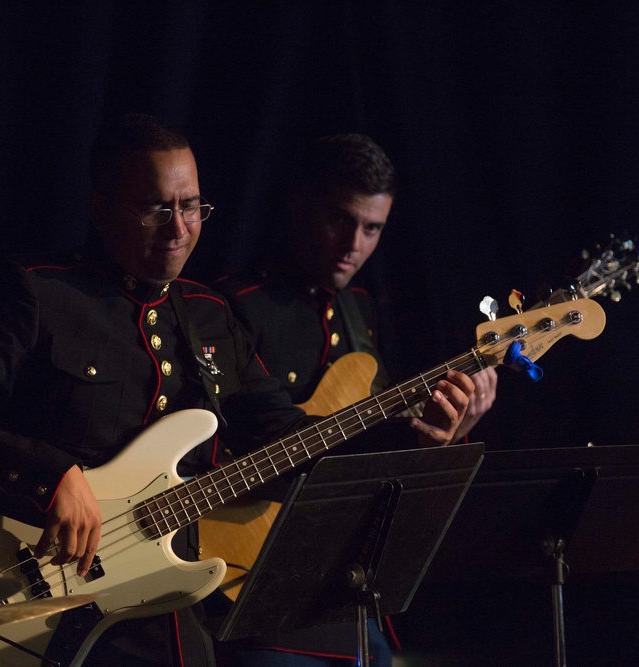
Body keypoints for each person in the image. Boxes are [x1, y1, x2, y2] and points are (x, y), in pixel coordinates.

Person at [0, 117, 478, 667]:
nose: (178, 228)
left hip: (171, 614)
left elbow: (285, 438)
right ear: (100, 208)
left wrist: (408, 431)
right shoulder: (36, 291)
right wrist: (51, 478)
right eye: (156, 207)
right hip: (41, 587)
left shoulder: (207, 314)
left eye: (191, 206)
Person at [213, 133, 497, 667]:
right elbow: (250, 438)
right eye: (340, 220)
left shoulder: (360, 309)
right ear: (301, 205)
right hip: (249, 570)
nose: (354, 245)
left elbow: (384, 450)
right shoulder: (235, 303)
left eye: (373, 229)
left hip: (340, 574)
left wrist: (449, 428)